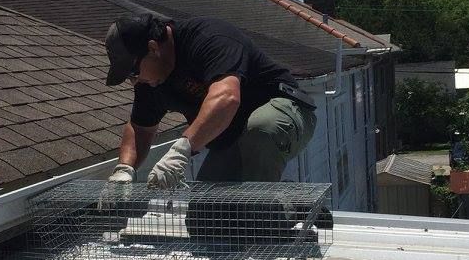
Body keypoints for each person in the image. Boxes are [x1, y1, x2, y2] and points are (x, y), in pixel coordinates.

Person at [103, 13, 317, 189]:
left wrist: (181, 150)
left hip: (285, 111)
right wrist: (124, 170)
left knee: (261, 131)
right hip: (235, 134)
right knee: (204, 218)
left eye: (133, 72)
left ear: (152, 48)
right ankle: (279, 208)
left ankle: (285, 205)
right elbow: (139, 129)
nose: (135, 81)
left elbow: (227, 97)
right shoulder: (151, 81)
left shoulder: (208, 38)